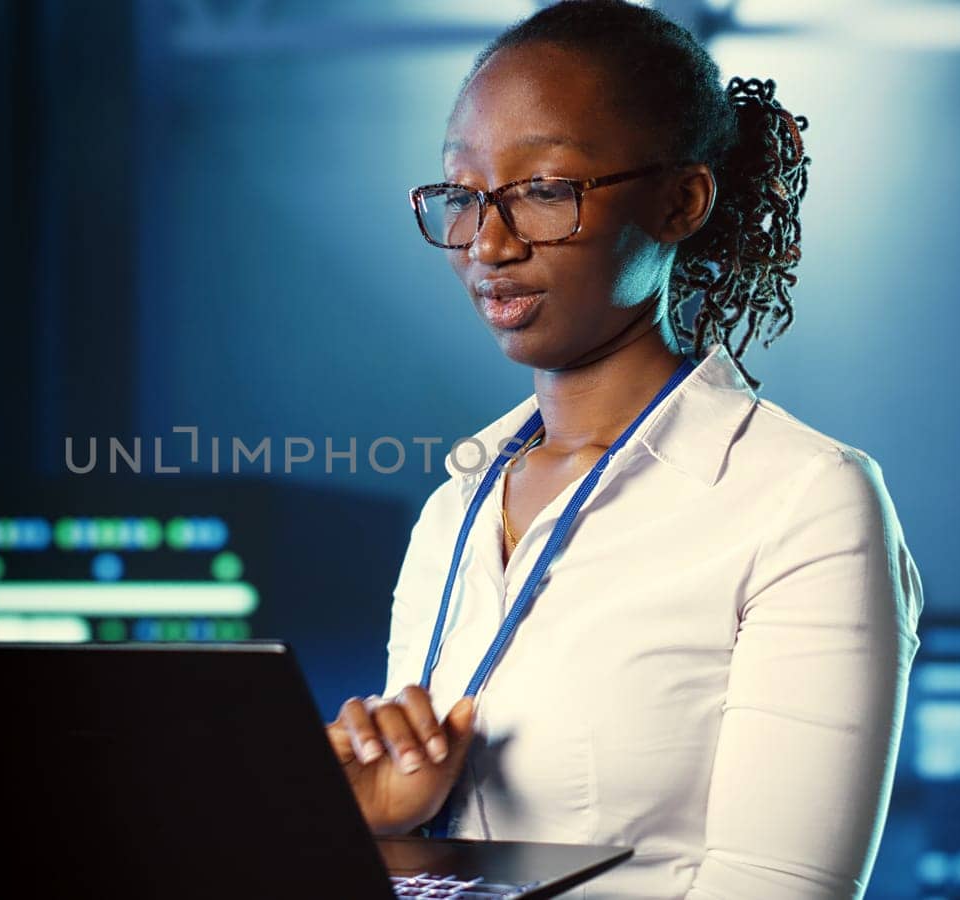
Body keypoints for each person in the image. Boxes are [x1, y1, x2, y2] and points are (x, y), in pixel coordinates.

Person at [323, 2, 924, 898]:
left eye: (545, 189)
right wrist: (372, 830)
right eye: (464, 192)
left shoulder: (802, 501)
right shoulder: (457, 506)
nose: (489, 241)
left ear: (681, 203)